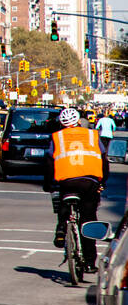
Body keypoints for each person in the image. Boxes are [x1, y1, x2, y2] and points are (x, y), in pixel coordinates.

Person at [49, 107, 107, 274]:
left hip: (67, 181)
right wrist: (103, 181)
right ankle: (89, 261)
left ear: (61, 123)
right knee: (88, 219)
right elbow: (104, 161)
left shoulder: (57, 137)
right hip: (90, 183)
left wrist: (48, 184)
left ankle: (61, 229)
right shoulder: (92, 135)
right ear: (80, 122)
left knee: (64, 204)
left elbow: (48, 163)